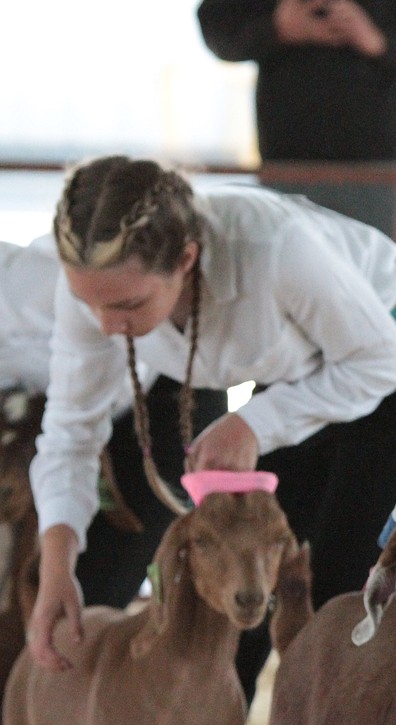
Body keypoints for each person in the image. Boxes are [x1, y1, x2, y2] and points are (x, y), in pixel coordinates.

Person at [26, 156, 396, 705]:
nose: (107, 326)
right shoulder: (97, 296)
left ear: (186, 259)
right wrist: (57, 567)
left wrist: (253, 423)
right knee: (243, 585)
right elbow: (69, 433)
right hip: (298, 379)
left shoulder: (275, 248)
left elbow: (382, 362)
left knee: (337, 601)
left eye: (128, 305)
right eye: (90, 304)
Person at [1, 237, 227, 611]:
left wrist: (45, 424)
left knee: (89, 595)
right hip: (53, 408)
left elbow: (104, 381)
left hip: (157, 396)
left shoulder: (32, 287)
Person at [196, 0, 396, 245]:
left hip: (380, 163)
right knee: (288, 283)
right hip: (286, 160)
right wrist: (278, 28)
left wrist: (380, 41)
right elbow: (216, 26)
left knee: (378, 283)